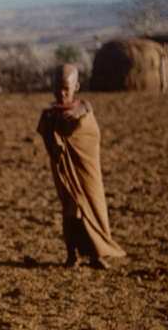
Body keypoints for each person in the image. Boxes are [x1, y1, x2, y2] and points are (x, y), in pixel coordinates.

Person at [37, 64, 125, 269]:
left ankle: (96, 255)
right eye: (57, 88)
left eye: (66, 89)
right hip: (64, 171)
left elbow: (91, 137)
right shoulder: (50, 116)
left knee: (94, 206)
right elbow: (49, 139)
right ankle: (72, 255)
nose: (61, 93)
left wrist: (73, 126)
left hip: (87, 171)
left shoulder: (84, 113)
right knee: (71, 209)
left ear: (76, 86)